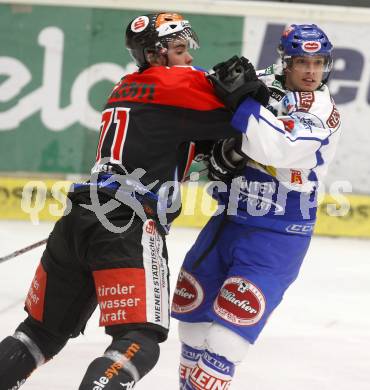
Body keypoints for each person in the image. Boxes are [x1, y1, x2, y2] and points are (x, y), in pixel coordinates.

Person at [0, 13, 269, 390]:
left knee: (38, 335)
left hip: (81, 217)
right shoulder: (174, 82)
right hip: (126, 225)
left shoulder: (125, 86)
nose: (188, 59)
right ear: (157, 56)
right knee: (140, 341)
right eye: (179, 50)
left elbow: (183, 134)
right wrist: (265, 88)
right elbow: (250, 113)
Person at [171, 24, 341, 389]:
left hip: (278, 235)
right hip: (229, 220)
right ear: (285, 62)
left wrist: (242, 105)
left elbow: (278, 146)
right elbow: (212, 90)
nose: (311, 71)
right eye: (301, 62)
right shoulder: (264, 80)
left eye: (319, 62)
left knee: (225, 343)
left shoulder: (323, 110)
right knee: (191, 322)